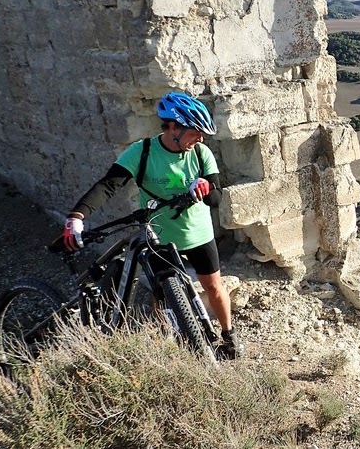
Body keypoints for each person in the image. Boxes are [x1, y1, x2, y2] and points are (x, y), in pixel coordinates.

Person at [62, 91, 243, 358]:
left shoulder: (201, 153)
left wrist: (205, 186)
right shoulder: (142, 152)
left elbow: (215, 198)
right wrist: (77, 217)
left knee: (213, 286)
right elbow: (108, 185)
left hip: (198, 234)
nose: (200, 138)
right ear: (174, 127)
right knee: (161, 293)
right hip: (160, 237)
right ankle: (167, 339)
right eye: (195, 131)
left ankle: (229, 336)